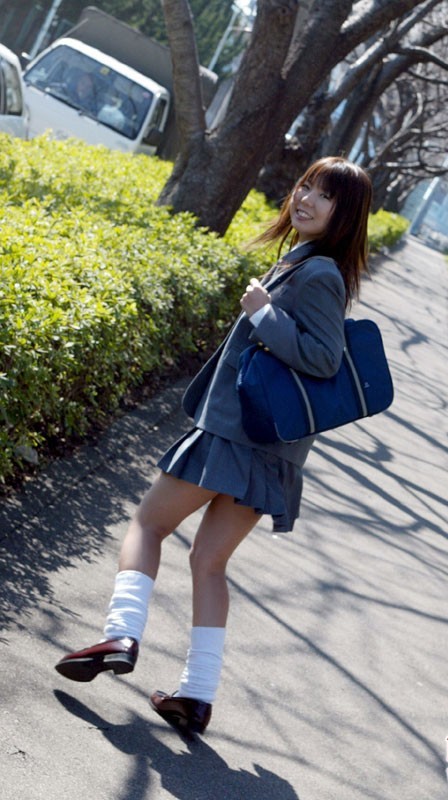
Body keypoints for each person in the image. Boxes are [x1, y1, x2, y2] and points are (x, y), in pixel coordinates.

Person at [54, 156, 373, 738]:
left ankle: (121, 634)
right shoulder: (304, 263)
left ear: (345, 214)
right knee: (208, 563)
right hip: (267, 449)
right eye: (305, 186)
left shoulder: (320, 274)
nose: (305, 198)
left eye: (324, 195)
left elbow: (324, 358)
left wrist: (263, 313)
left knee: (148, 526)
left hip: (235, 437)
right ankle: (196, 695)